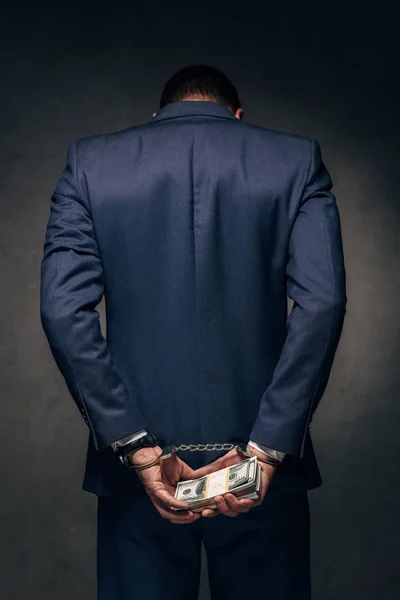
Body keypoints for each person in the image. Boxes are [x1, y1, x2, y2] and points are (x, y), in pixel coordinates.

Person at [40, 64, 347, 599]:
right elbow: (322, 302)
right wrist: (268, 448)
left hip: (140, 476)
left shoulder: (91, 165)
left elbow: (63, 309)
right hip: (257, 473)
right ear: (237, 116)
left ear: (157, 118)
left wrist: (136, 446)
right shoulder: (295, 162)